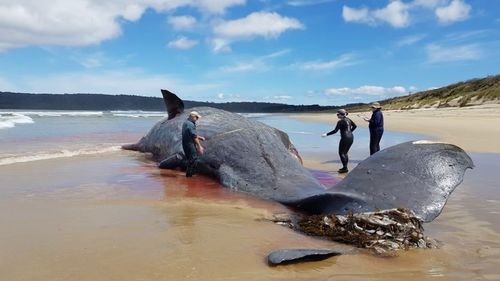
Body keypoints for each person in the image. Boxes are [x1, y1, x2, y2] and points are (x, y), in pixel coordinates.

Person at [322, 109, 357, 173]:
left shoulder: (340, 122)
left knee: (341, 153)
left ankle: (345, 168)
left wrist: (326, 134)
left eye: (338, 114)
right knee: (345, 153)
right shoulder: (349, 119)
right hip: (351, 137)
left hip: (345, 138)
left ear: (341, 115)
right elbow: (355, 126)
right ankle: (345, 167)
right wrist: (350, 132)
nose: (337, 115)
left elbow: (335, 131)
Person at [182, 111, 205, 177]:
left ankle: (190, 174)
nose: (197, 119)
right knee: (193, 160)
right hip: (189, 144)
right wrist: (199, 146)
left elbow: (190, 133)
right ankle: (189, 176)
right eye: (196, 117)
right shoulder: (191, 124)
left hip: (186, 143)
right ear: (193, 117)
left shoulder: (186, 123)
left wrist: (200, 137)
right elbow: (194, 136)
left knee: (191, 159)